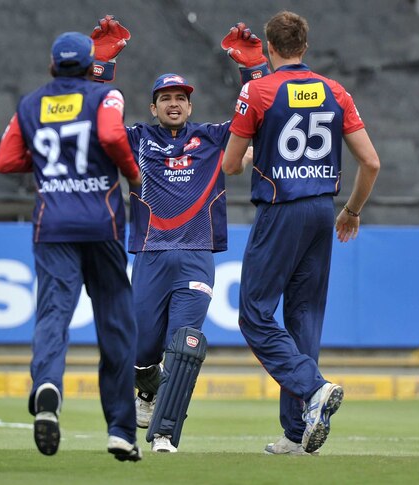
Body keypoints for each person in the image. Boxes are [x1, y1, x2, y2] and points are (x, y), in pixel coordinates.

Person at [87, 17, 269, 453]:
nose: (173, 104)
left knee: (184, 346)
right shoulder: (135, 139)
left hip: (196, 254)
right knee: (139, 351)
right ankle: (147, 392)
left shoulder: (212, 138)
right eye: (165, 98)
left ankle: (166, 433)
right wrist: (99, 65)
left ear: (190, 106)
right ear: (153, 107)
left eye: (180, 99)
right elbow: (95, 122)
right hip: (149, 255)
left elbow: (264, 116)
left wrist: (255, 69)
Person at [221, 11, 381, 455]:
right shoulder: (335, 91)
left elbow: (230, 165)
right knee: (304, 319)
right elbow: (371, 162)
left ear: (270, 48)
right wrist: (351, 210)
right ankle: (297, 432)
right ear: (305, 47)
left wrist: (258, 149)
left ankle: (313, 389)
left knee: (254, 313)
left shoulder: (257, 90)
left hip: (280, 210)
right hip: (321, 212)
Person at [0, 32, 142, 461]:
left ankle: (47, 386)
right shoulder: (106, 96)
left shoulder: (30, 104)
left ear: (53, 65)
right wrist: (131, 174)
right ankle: (120, 429)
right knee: (115, 323)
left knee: (54, 313)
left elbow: (4, 160)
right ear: (90, 65)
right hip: (103, 224)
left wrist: (44, 164)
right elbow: (114, 138)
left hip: (53, 224)